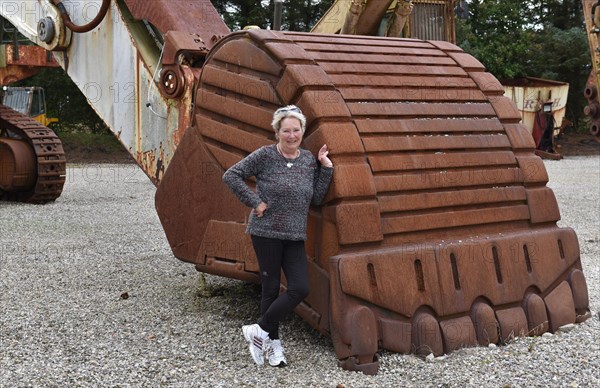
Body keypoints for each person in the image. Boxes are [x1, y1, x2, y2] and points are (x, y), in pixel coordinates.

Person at [222, 105, 333, 367]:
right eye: (286, 130)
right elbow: (232, 175)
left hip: (294, 235)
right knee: (270, 289)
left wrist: (325, 168)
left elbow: (316, 197)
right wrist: (255, 201)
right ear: (277, 132)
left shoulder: (307, 159)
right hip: (266, 232)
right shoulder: (264, 156)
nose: (291, 135)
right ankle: (274, 348)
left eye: (296, 130)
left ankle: (258, 331)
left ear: (302, 132)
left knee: (299, 288)